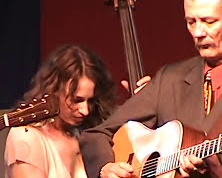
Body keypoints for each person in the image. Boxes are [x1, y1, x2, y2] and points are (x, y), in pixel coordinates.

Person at [79, 0, 222, 177]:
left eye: (209, 21)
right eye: (191, 22)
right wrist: (105, 167)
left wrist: (219, 174)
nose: (198, 32)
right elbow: (97, 134)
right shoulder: (169, 79)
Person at [4, 44, 149, 178]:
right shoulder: (25, 137)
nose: (85, 110)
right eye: (77, 100)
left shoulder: (87, 135)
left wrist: (144, 104)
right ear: (54, 90)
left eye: (90, 101)